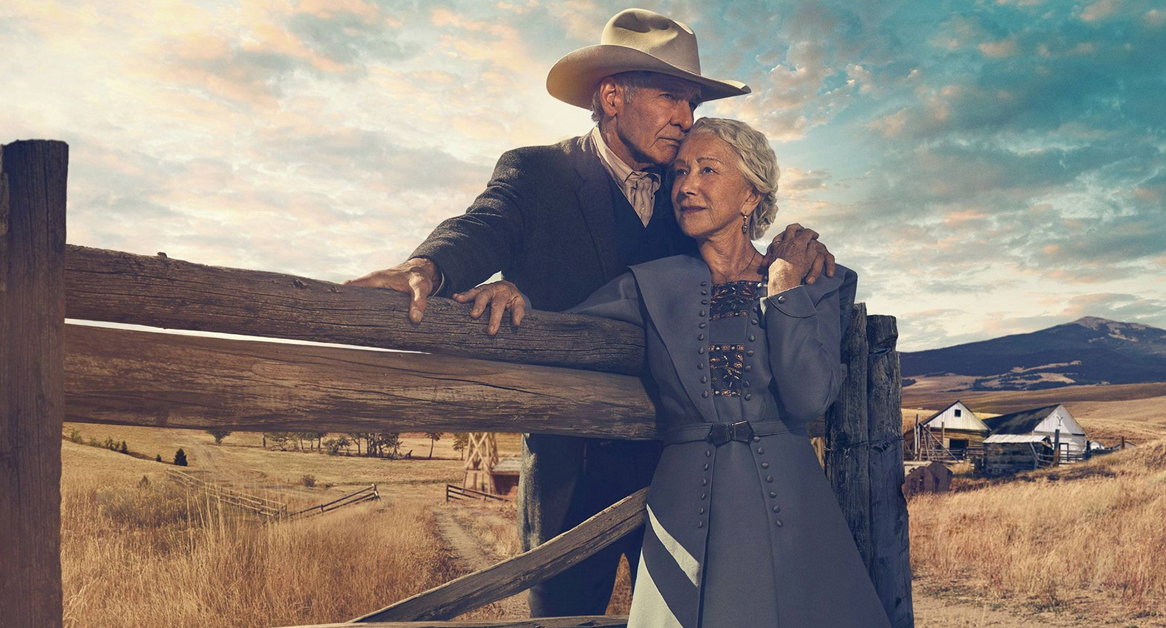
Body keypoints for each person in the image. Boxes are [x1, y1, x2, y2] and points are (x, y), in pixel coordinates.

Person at [346, 10, 838, 616]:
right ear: (612, 97)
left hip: (677, 471)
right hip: (568, 470)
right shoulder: (539, 172)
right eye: (671, 97)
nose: (686, 118)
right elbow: (485, 225)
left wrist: (796, 258)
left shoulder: (686, 189)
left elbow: (735, 260)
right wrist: (430, 267)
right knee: (563, 618)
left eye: (691, 102)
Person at [558, 118, 894, 626]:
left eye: (708, 170)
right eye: (680, 172)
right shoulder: (648, 284)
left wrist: (783, 286)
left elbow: (808, 397)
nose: (687, 186)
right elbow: (562, 331)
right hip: (683, 502)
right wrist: (511, 293)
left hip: (789, 502)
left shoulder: (814, 280)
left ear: (751, 195)